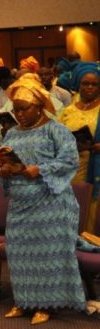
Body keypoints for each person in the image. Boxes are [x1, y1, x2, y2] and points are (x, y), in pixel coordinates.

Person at [0, 75, 86, 325]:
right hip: (20, 206)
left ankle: (46, 304)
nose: (19, 115)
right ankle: (24, 302)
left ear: (39, 106)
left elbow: (70, 161)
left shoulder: (56, 130)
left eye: (24, 109)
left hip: (50, 204)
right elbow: (3, 162)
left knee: (46, 256)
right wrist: (2, 170)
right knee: (20, 254)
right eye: (15, 110)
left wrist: (41, 169)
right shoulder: (12, 134)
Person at [59, 61, 100, 233]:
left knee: (91, 213)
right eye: (85, 83)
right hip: (70, 170)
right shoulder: (68, 111)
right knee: (72, 211)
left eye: (94, 84)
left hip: (95, 169)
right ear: (78, 84)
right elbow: (57, 137)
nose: (90, 87)